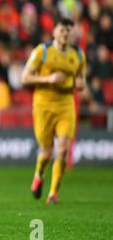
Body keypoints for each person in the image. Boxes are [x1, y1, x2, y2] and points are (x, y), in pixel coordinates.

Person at [21, 18, 86, 204]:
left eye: (68, 30)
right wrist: (48, 79)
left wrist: (80, 84)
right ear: (54, 31)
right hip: (43, 105)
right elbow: (25, 77)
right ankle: (39, 175)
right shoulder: (42, 51)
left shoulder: (79, 55)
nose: (65, 34)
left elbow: (81, 81)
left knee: (64, 149)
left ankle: (53, 193)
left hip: (66, 104)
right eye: (62, 30)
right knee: (47, 152)